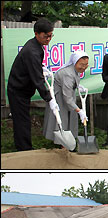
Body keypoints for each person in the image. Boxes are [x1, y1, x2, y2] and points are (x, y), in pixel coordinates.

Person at [7, 18, 58, 151]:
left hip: (23, 88)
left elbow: (35, 70)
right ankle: (24, 150)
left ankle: (23, 147)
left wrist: (41, 68)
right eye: (46, 36)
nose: (49, 39)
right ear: (36, 34)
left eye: (51, 35)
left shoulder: (36, 45)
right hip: (18, 90)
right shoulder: (32, 51)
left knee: (22, 120)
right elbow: (37, 79)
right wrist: (49, 99)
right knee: (22, 121)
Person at [43, 51, 89, 144]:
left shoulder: (74, 70)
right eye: (81, 64)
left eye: (86, 64)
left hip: (67, 95)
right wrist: (79, 111)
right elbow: (67, 98)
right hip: (61, 98)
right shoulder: (67, 74)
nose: (84, 67)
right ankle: (63, 145)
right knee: (61, 119)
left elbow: (71, 83)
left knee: (69, 118)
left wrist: (77, 86)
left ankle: (67, 143)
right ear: (75, 62)